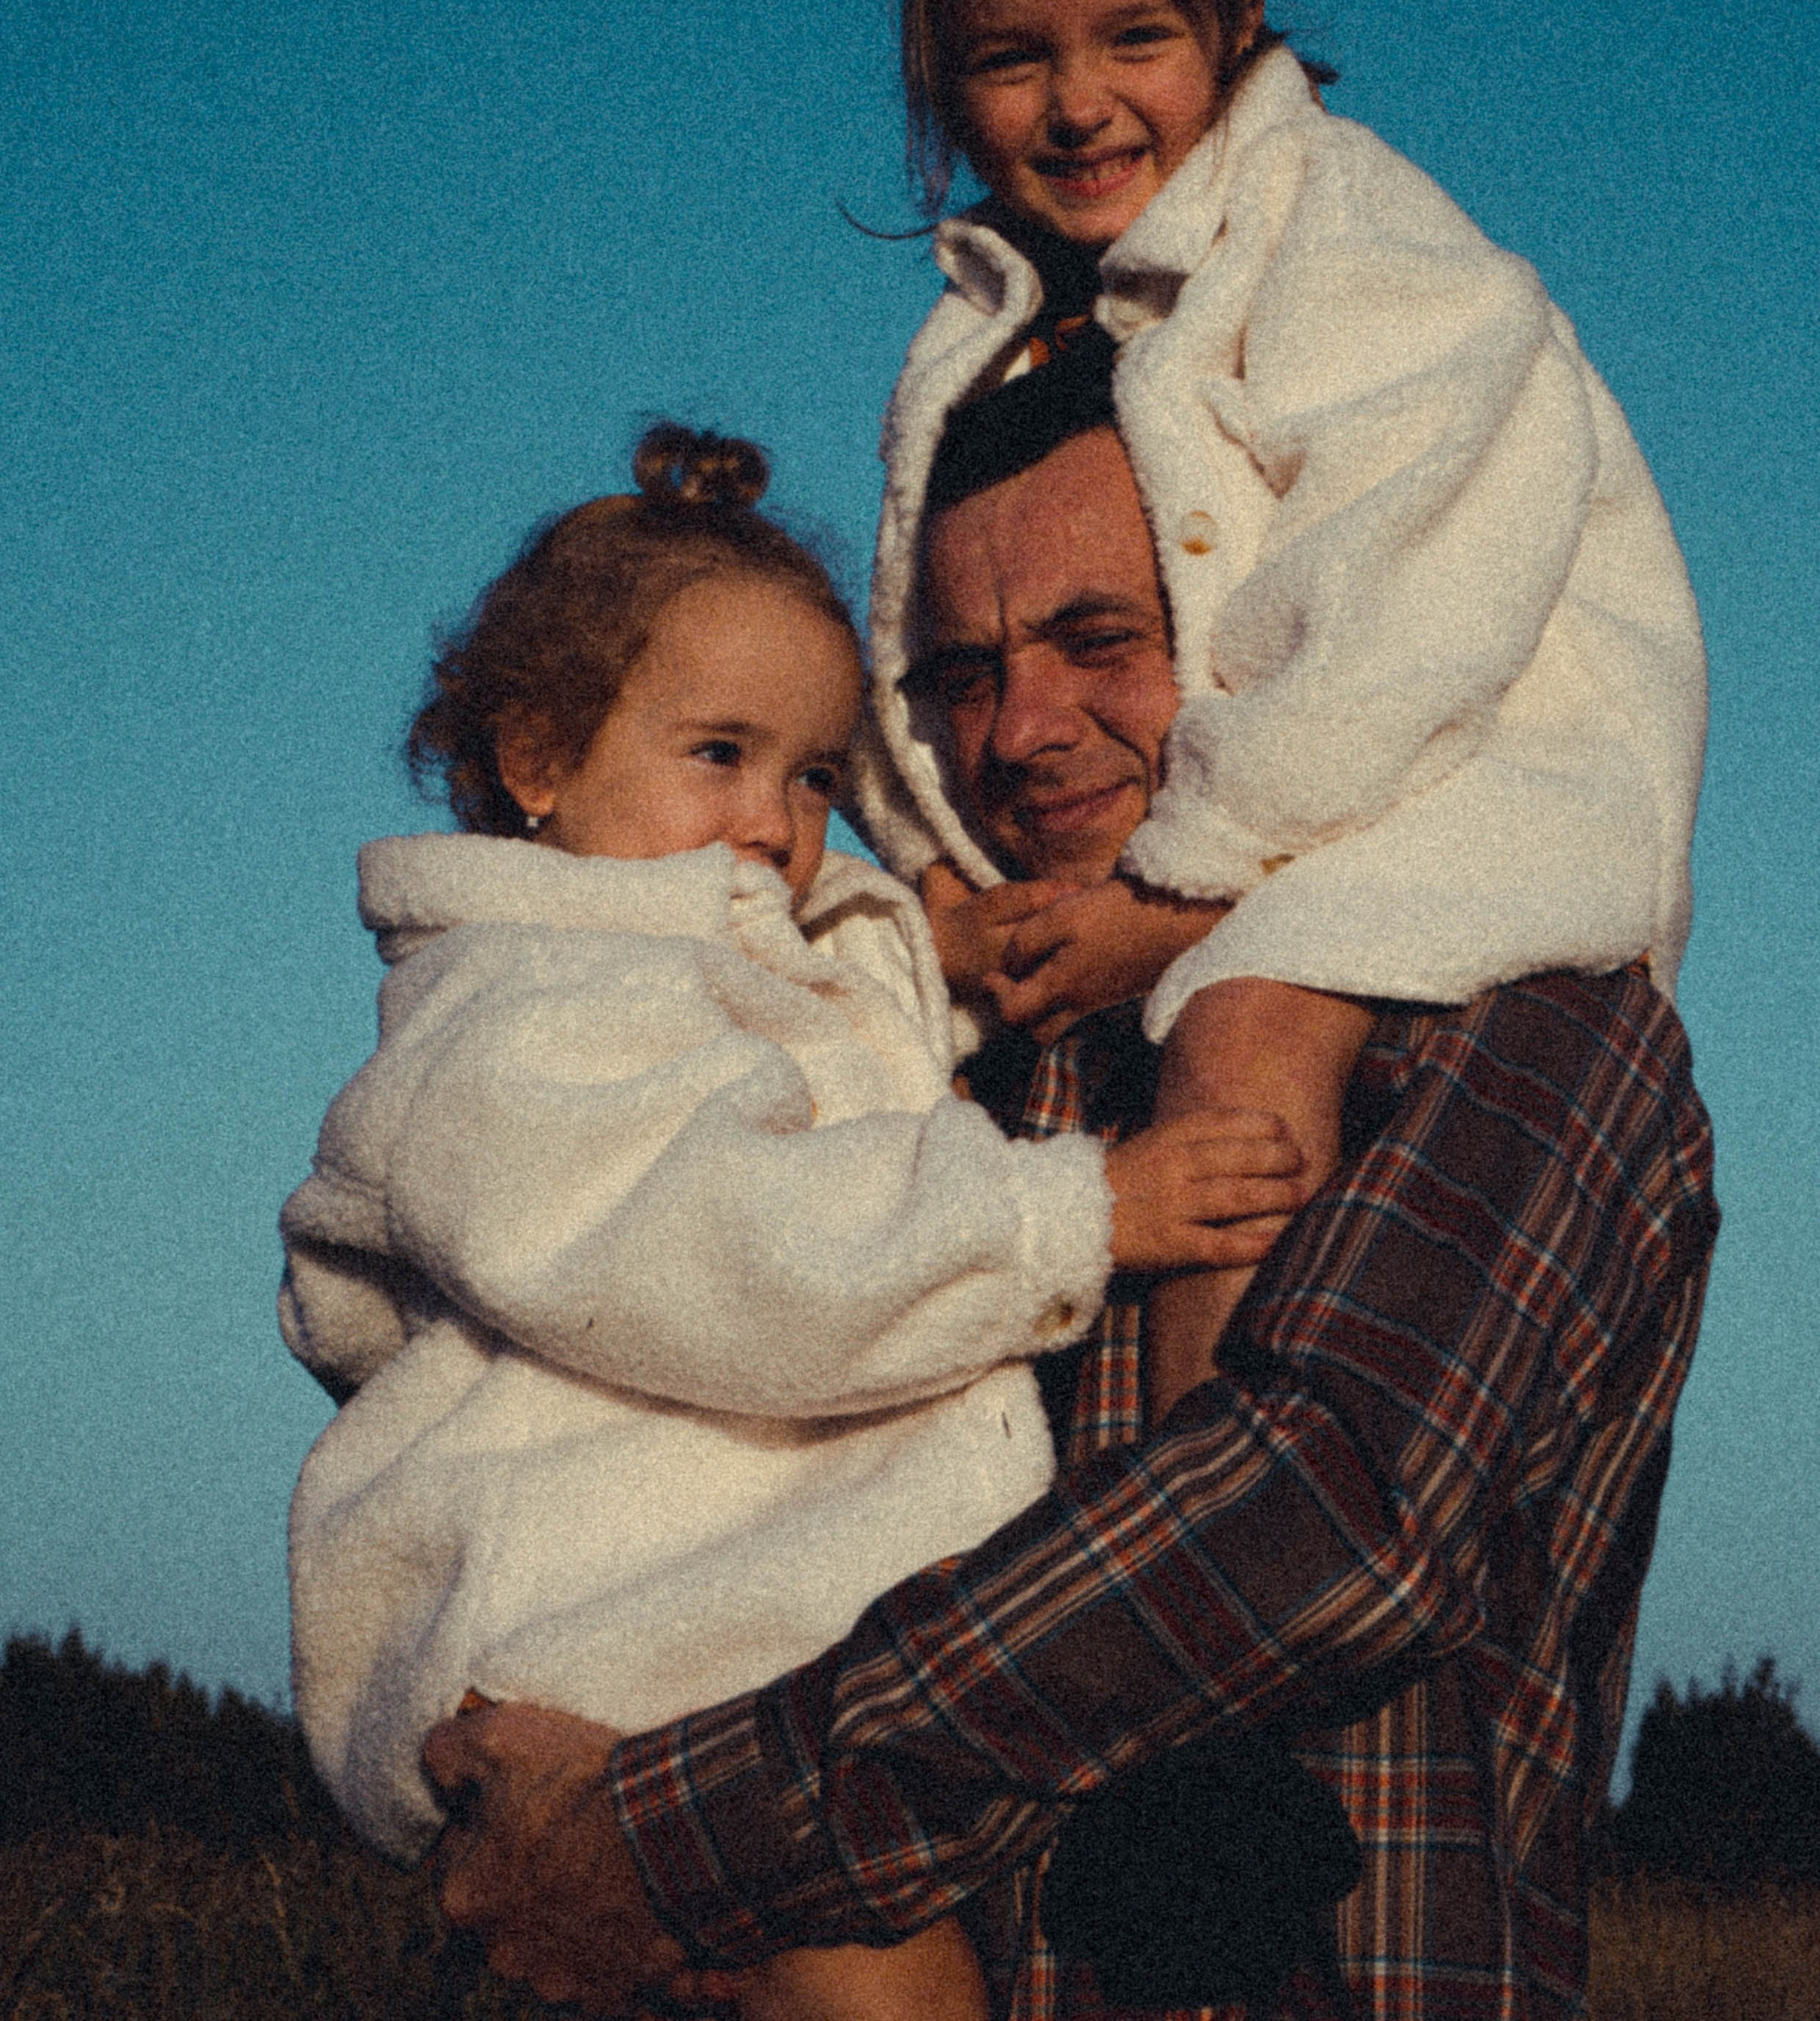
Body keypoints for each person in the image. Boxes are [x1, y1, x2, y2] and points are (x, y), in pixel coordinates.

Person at [425, 406, 1718, 2020]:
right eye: (966, 676)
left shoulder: (1511, 1021)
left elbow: (1316, 1522)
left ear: (1265, 639)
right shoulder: (918, 1053)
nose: (1023, 730)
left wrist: (669, 1839)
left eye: (1100, 640)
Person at [281, 422, 1310, 2021]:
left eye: (816, 775)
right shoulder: (517, 1019)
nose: (773, 822)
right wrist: (1071, 1213)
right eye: (720, 754)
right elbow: (726, 1238)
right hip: (615, 1658)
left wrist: (923, 953)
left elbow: (818, 1044)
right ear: (538, 760)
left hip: (716, 1662)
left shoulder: (691, 970)